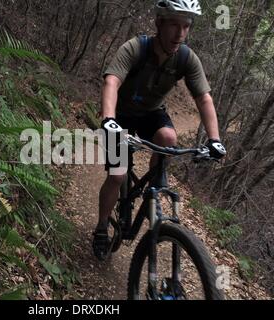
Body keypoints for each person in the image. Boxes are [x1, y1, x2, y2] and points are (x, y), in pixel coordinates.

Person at [93, 0, 227, 261]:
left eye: (186, 26)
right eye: (174, 25)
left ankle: (153, 187)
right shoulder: (136, 47)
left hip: (151, 114)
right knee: (118, 175)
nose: (180, 33)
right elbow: (112, 81)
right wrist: (109, 120)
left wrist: (215, 140)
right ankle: (100, 228)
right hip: (120, 115)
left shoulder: (186, 58)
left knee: (168, 138)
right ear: (159, 23)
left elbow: (204, 99)